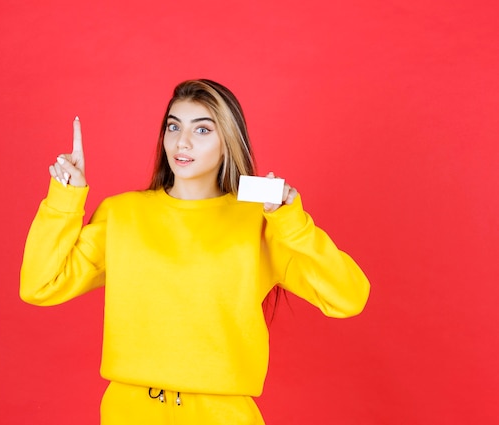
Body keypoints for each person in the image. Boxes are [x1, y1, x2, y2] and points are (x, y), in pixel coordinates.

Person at [20, 79, 370, 424]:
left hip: (222, 415)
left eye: (202, 130)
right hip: (129, 411)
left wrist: (291, 222)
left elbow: (348, 297)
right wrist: (65, 198)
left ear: (227, 142)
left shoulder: (261, 221)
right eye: (174, 127)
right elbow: (41, 285)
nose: (182, 142)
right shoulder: (122, 214)